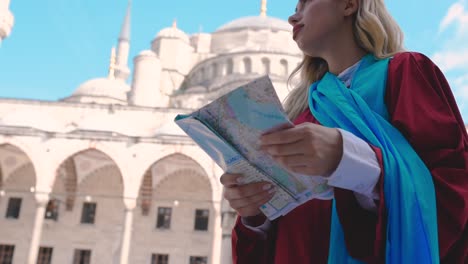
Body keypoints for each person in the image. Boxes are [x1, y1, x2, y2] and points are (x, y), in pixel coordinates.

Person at [220, 0, 468, 263]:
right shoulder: (300, 114)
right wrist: (254, 216)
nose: (293, 18)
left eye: (305, 3)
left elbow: (453, 190)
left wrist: (348, 157)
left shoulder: (404, 72)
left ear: (349, 4)